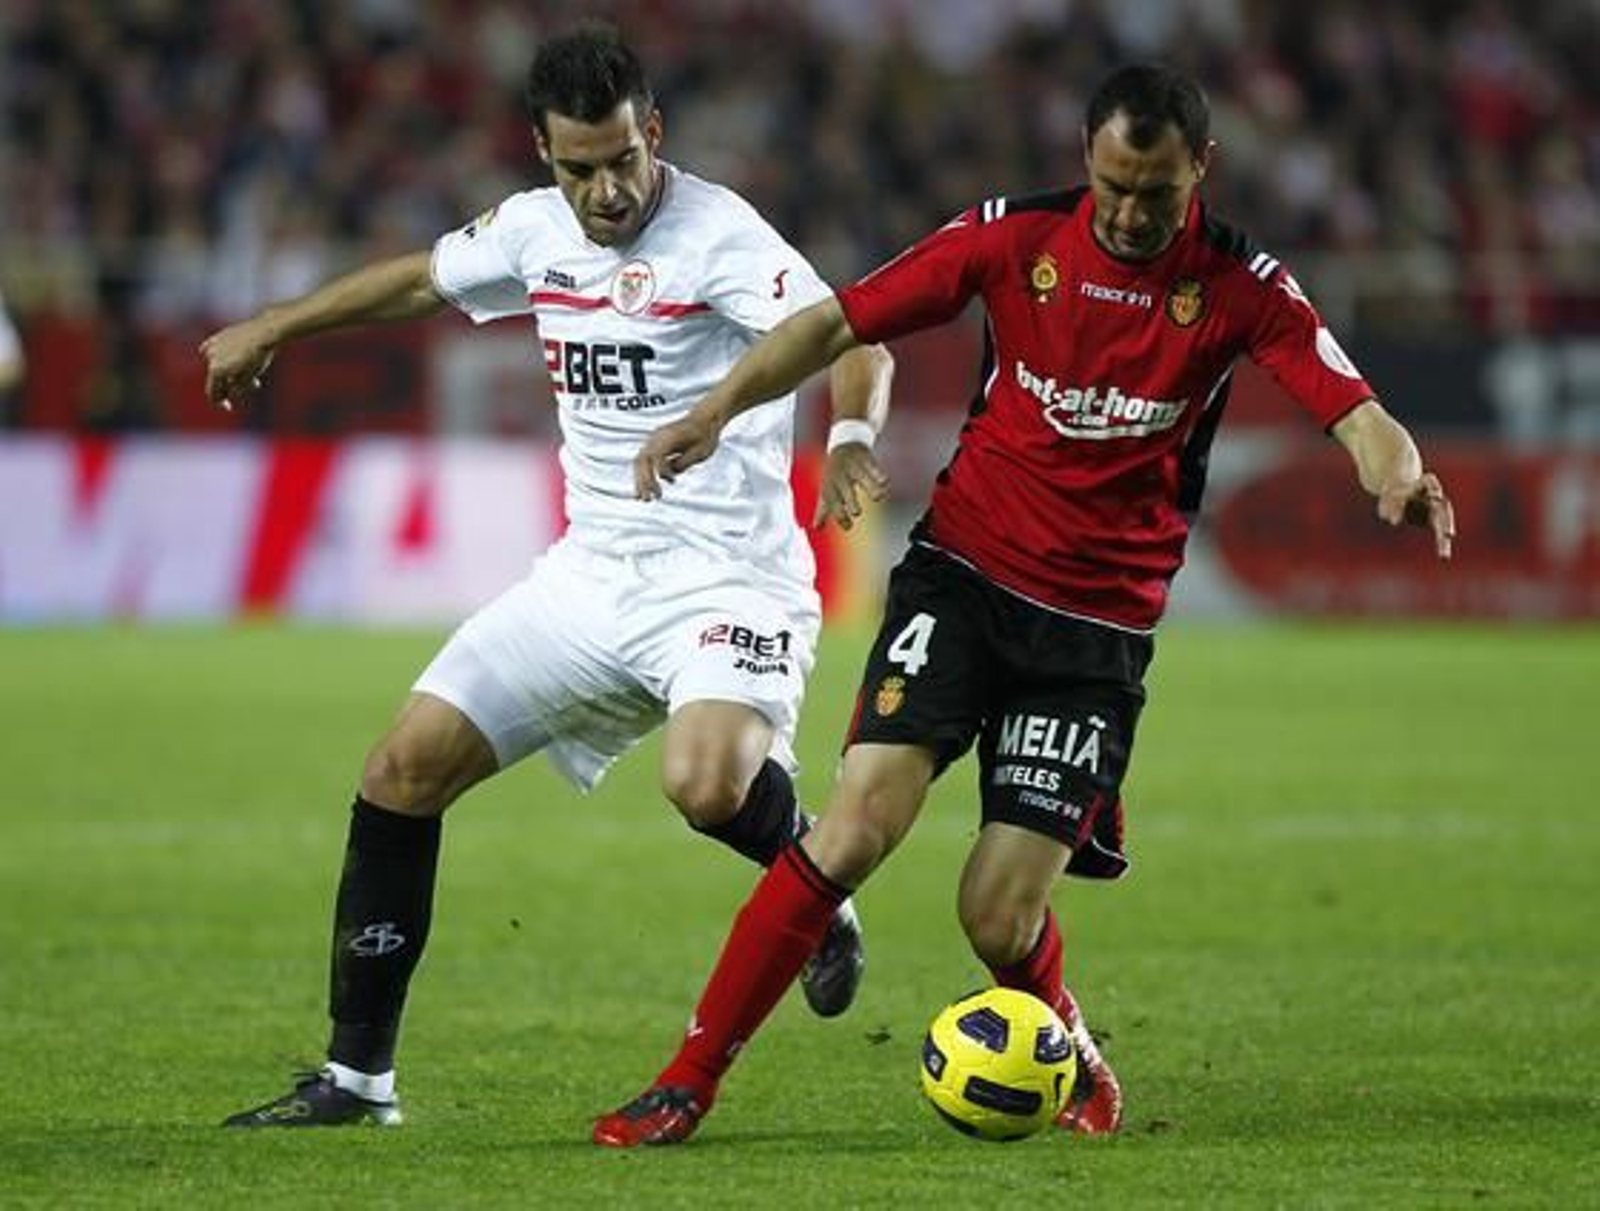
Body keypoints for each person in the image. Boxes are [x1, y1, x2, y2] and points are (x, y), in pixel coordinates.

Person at [594, 62, 1456, 1147]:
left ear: (1203, 169)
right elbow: (838, 322)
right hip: (960, 573)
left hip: (1093, 633)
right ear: (1085, 161)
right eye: (1112, 186)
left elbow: (1352, 401)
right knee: (857, 824)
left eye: (1158, 192)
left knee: (993, 911)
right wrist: (717, 410)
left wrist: (1394, 467)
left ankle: (1072, 1043)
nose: (1133, 213)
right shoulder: (1014, 241)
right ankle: (688, 1077)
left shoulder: (1244, 287)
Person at [202, 25, 894, 1128]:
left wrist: (853, 430)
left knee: (706, 786)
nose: (606, 189)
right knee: (400, 768)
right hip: (585, 581)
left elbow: (854, 333)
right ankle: (356, 1079)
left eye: (622, 159)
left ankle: (814, 875)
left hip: (727, 583)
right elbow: (422, 282)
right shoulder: (534, 231)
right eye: (579, 168)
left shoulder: (718, 234)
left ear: (652, 133)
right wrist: (278, 324)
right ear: (542, 152)